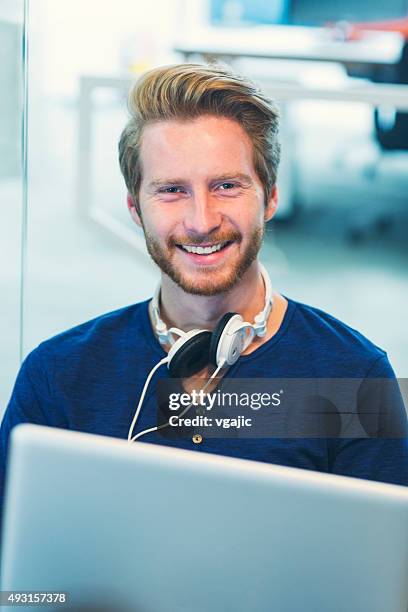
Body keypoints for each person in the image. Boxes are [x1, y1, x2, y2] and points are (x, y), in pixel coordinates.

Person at [1, 64, 407, 517]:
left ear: (270, 197)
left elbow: (381, 576)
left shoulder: (353, 377)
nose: (201, 220)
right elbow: (14, 575)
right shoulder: (58, 375)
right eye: (172, 190)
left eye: (227, 186)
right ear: (136, 209)